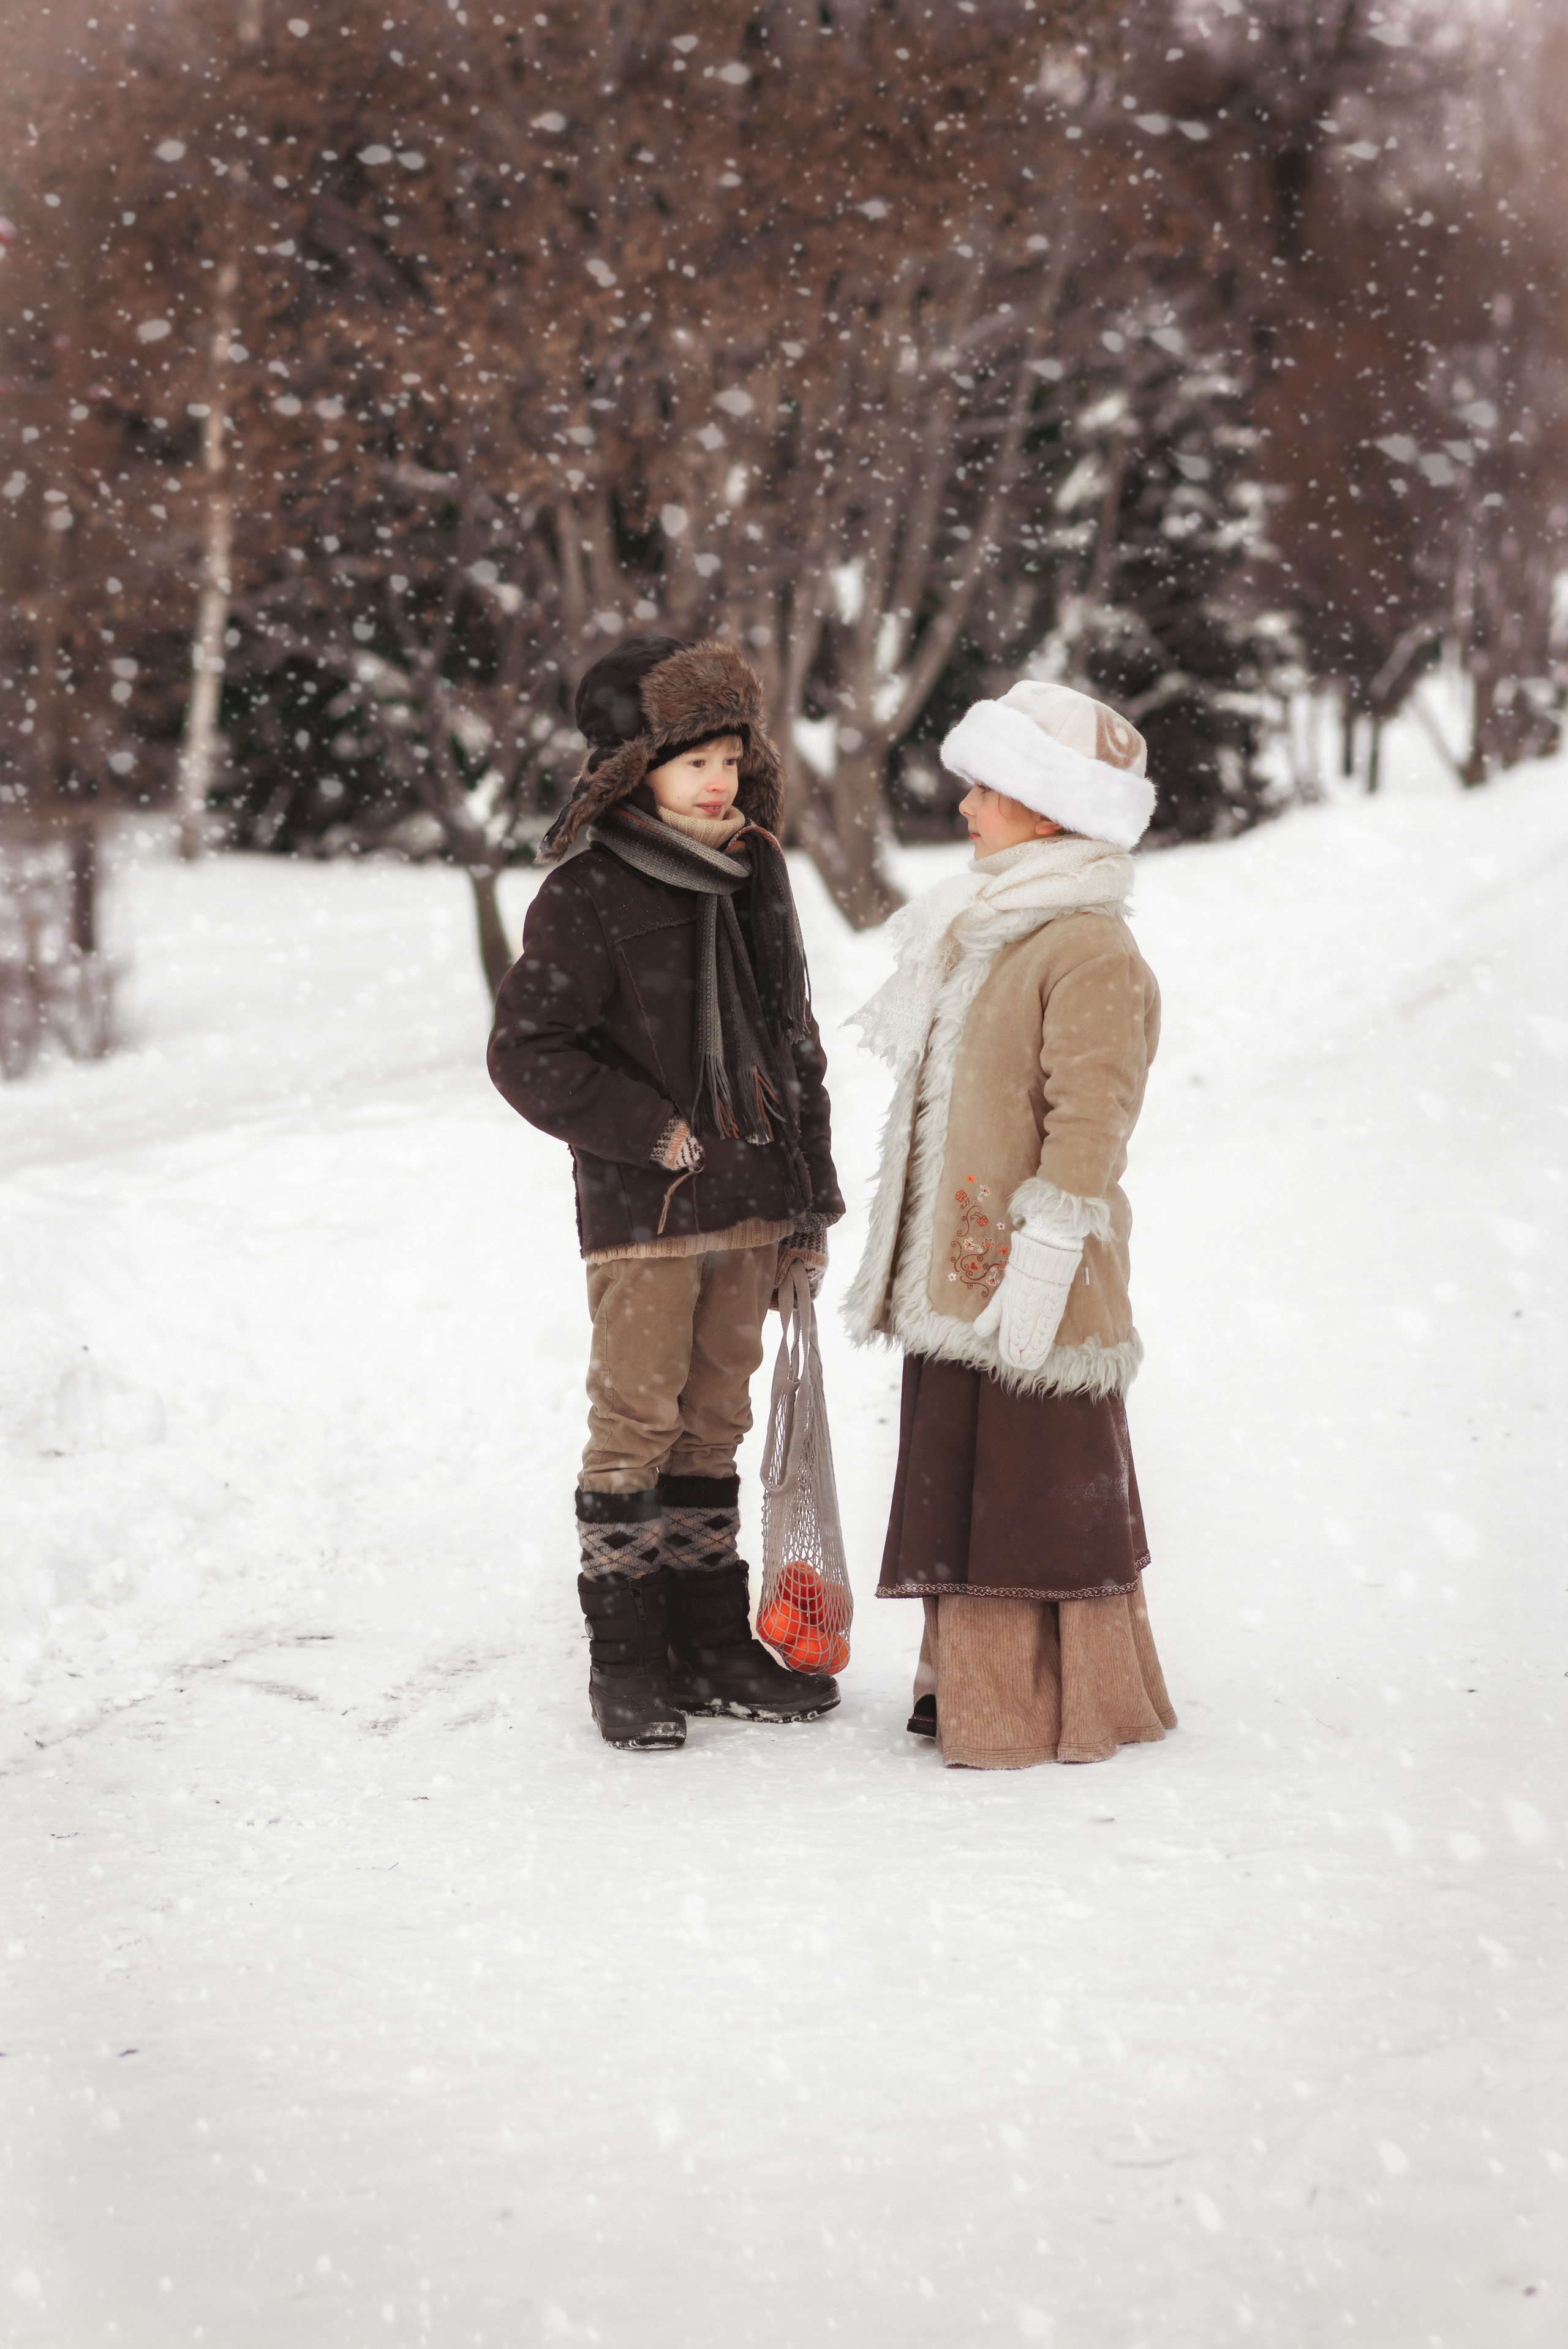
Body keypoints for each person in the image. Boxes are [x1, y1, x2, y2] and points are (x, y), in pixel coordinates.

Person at [488, 635, 845, 1751]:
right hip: (647, 1213)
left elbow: (794, 1043)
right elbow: (529, 1051)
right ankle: (629, 1658)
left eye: (730, 752)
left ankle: (711, 1643)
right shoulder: (586, 892)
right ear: (632, 765)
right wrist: (651, 1131)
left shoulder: (755, 874)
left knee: (713, 1426)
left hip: (749, 1200)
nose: (717, 776)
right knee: (635, 1427)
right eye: (690, 755)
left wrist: (810, 1204)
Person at [844, 679, 1176, 1771]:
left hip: (1034, 1271)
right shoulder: (983, 924)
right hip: (958, 1271)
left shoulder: (1089, 947)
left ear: (1049, 811)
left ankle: (1053, 1701)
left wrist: (1045, 1253)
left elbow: (1092, 1117)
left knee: (1035, 1489)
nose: (967, 807)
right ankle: (969, 1690)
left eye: (988, 789)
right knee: (963, 1475)